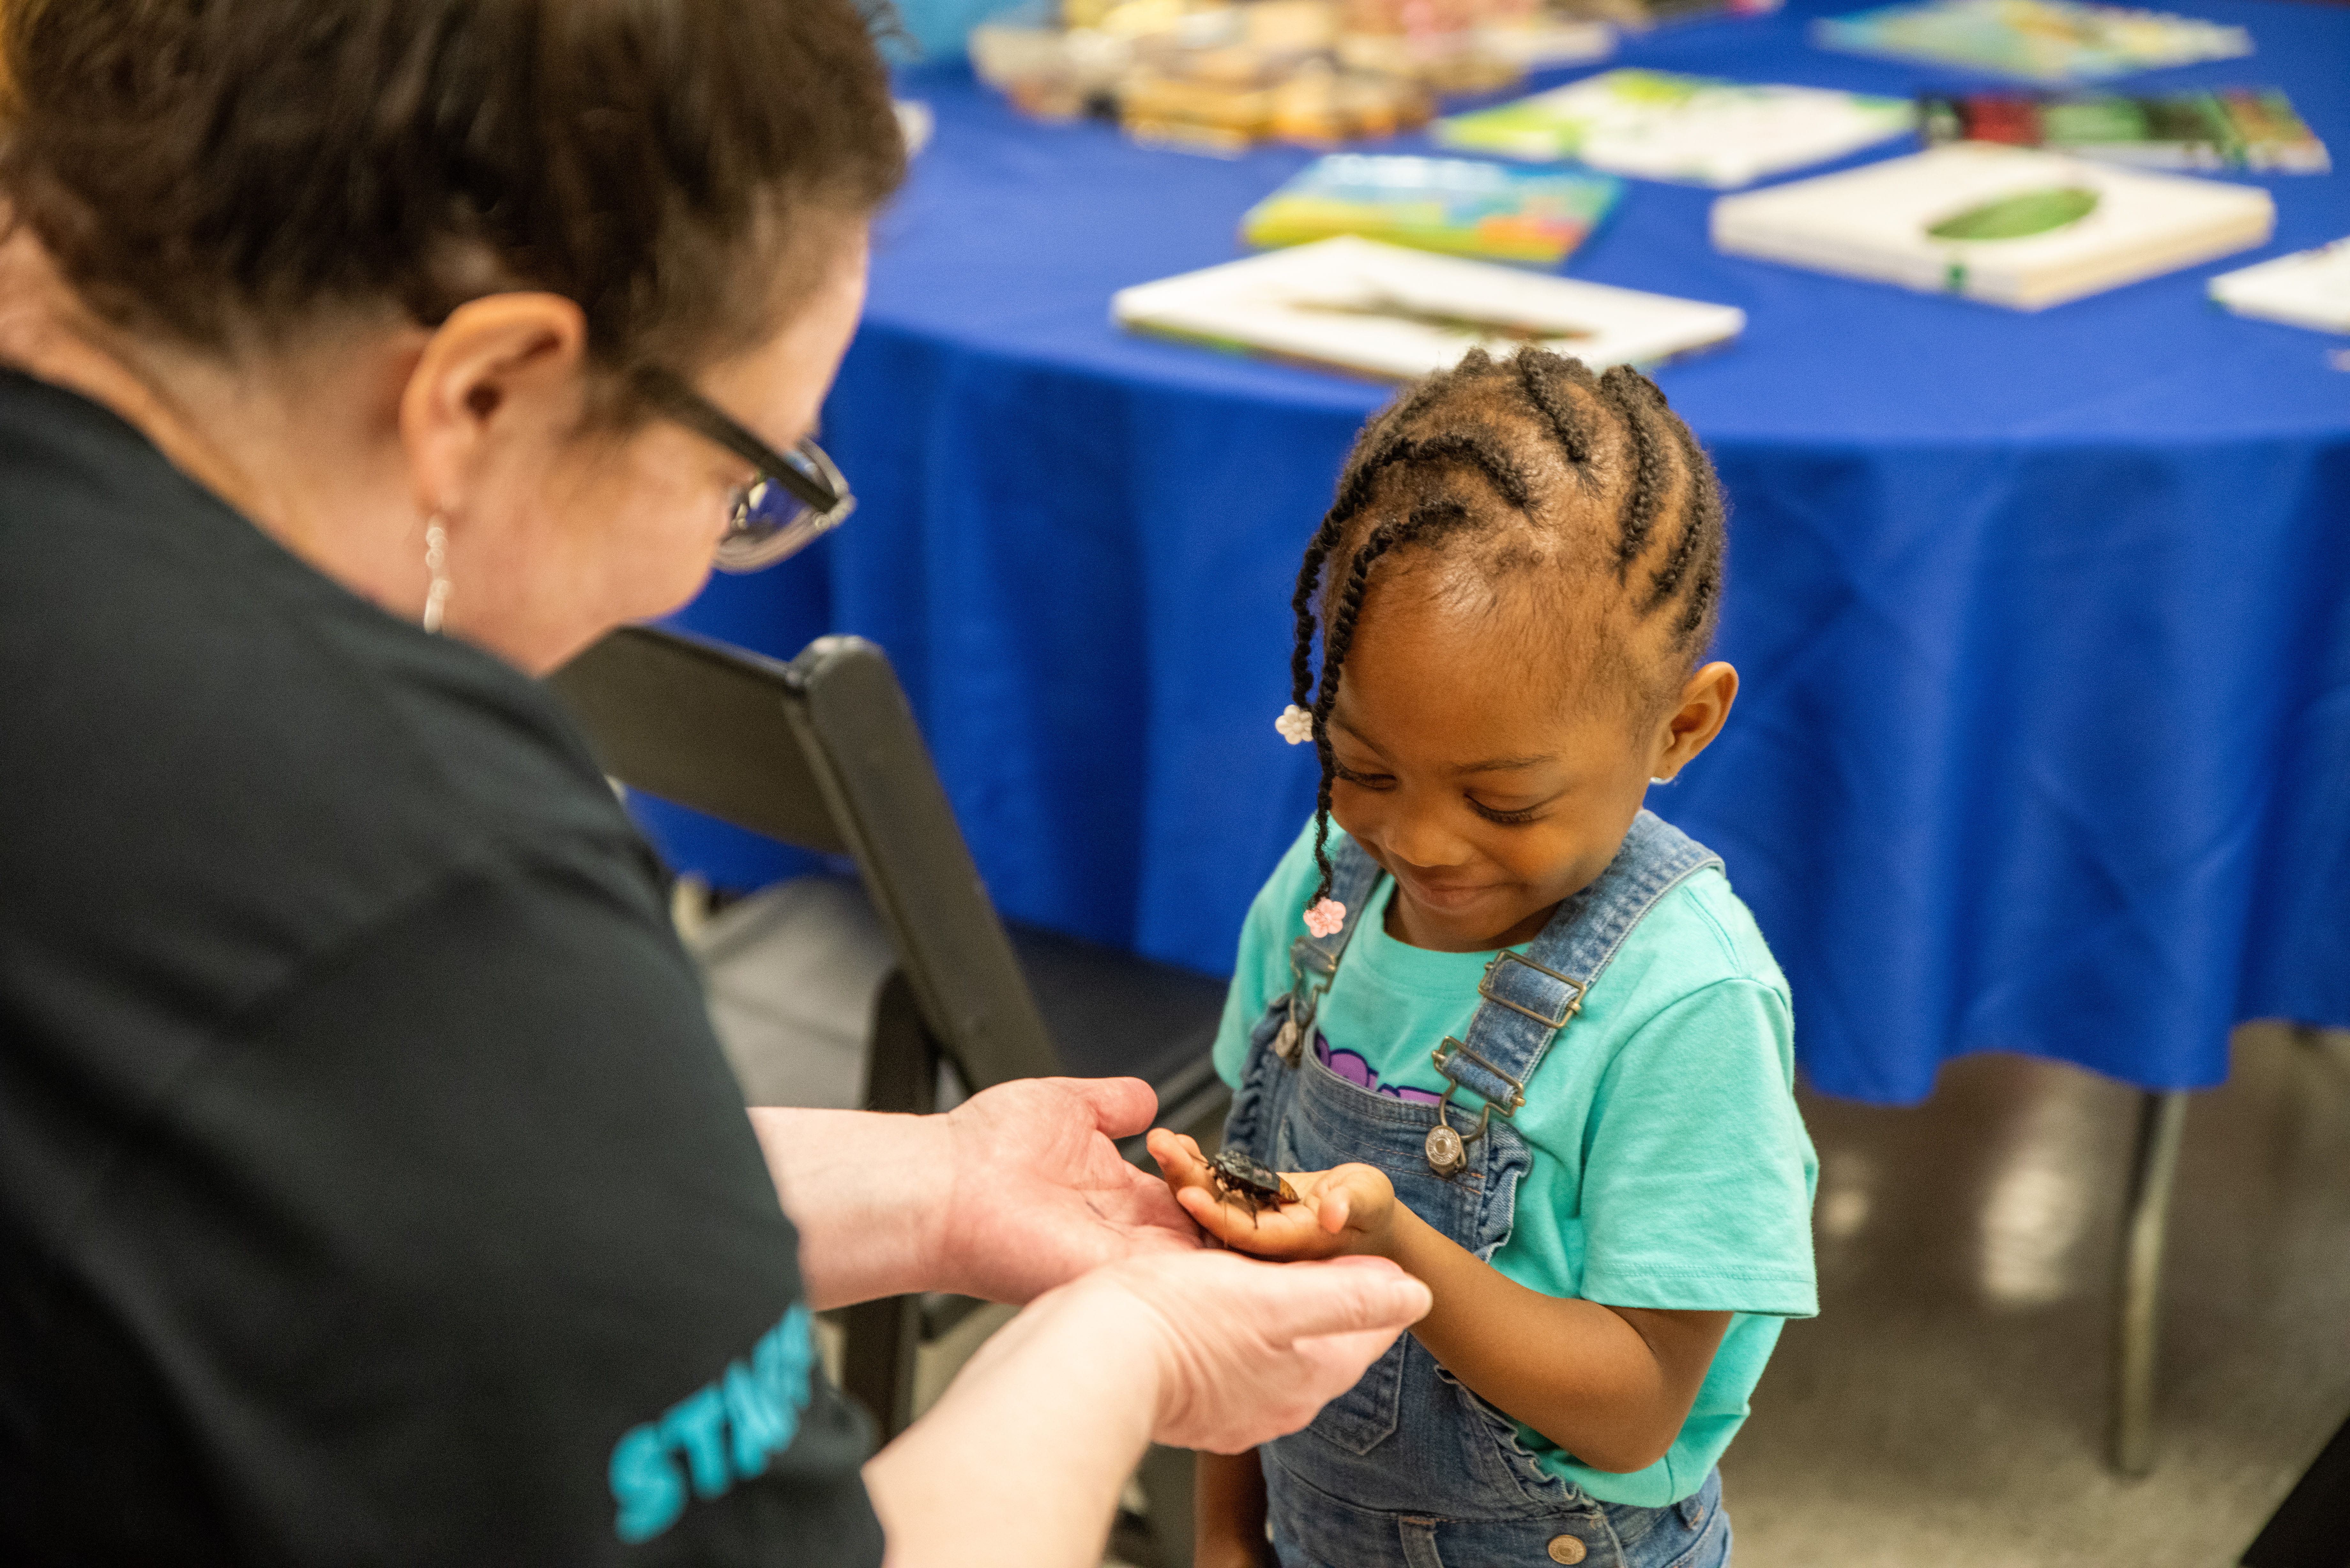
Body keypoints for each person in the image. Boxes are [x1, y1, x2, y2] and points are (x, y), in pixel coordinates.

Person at [0, 2, 1431, 1563]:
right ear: (482, 395)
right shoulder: (400, 869)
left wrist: (940, 1188)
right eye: (740, 480)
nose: (707, 560)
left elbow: (375, 1170)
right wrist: (1130, 1344)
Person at [1148, 348, 1820, 1568]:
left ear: (1682, 726)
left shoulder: (1687, 1007)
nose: (1416, 839)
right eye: (1360, 767)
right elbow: (1239, 1269)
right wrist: (1223, 1533)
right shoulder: (1317, 903)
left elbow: (1632, 1409)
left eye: (1503, 803)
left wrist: (1395, 1245)